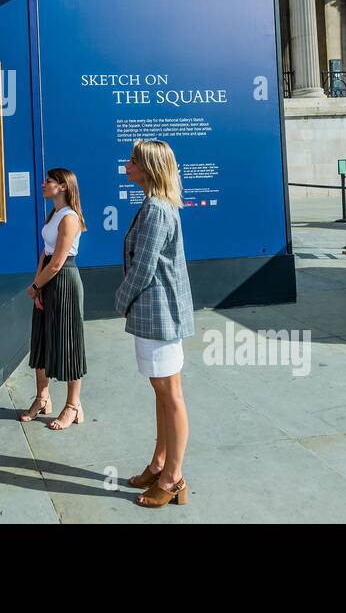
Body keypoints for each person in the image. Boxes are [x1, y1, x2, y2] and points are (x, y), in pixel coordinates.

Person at [115, 139, 195, 508]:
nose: (127, 164)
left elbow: (144, 267)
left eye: (132, 160)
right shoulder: (156, 205)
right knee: (163, 394)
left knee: (170, 396)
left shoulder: (156, 210)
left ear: (147, 169)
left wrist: (120, 299)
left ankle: (173, 478)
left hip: (158, 313)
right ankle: (159, 463)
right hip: (158, 313)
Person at [19, 169, 87, 430]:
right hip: (47, 279)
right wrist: (37, 286)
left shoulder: (70, 218)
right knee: (42, 340)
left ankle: (73, 406)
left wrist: (37, 285)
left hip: (64, 281)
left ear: (63, 186)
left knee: (68, 343)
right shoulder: (54, 214)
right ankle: (42, 398)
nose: (43, 184)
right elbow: (45, 255)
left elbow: (59, 262)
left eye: (48, 181)